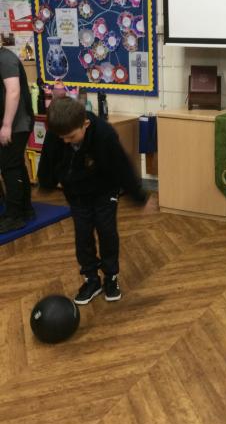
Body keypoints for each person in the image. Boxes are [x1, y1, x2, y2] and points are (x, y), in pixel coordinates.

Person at [38, 96, 150, 304]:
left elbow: (121, 165)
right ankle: (91, 279)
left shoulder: (104, 134)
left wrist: (136, 192)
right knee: (83, 236)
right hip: (76, 193)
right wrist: (46, 182)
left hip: (104, 191)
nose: (66, 141)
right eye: (62, 138)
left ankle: (111, 277)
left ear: (86, 124)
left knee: (107, 232)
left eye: (71, 137)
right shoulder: (58, 133)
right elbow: (48, 158)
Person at [0, 44, 35, 234]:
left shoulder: (5, 58)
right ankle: (25, 209)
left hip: (16, 125)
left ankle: (15, 216)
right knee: (16, 165)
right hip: (11, 124)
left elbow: (13, 92)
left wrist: (6, 126)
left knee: (10, 167)